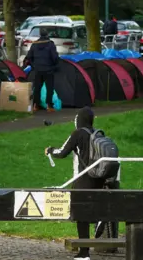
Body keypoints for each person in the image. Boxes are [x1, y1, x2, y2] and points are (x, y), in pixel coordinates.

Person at [45, 107, 107, 260]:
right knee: (89, 209)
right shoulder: (97, 133)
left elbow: (62, 152)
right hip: (98, 177)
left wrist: (50, 150)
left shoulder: (78, 134)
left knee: (81, 215)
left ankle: (84, 253)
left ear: (79, 119)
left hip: (82, 179)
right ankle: (100, 218)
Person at [25, 28, 59, 112]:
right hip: (49, 69)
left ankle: (36, 105)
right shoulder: (50, 44)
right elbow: (54, 57)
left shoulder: (35, 44)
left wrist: (34, 66)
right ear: (47, 34)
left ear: (39, 34)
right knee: (49, 88)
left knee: (37, 88)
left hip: (37, 69)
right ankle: (49, 106)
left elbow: (29, 57)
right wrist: (55, 65)